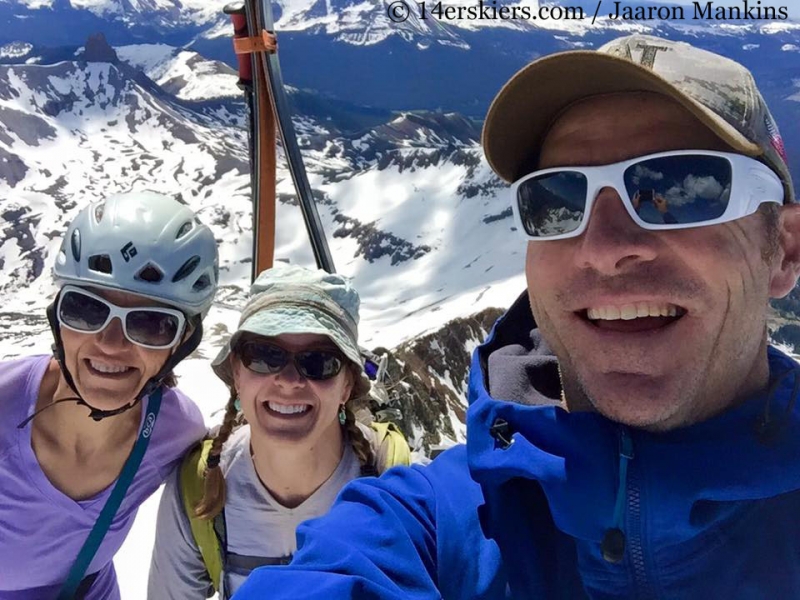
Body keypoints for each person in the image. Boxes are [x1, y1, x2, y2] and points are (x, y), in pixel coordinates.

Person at [232, 34, 800, 599]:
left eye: (679, 188)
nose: (603, 247)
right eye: (557, 200)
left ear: (785, 251)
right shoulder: (433, 523)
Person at [0, 191, 219, 599]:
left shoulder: (176, 430)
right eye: (86, 309)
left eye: (152, 324)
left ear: (182, 342)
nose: (110, 344)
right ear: (57, 319)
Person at [147, 263, 410, 599]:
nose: (288, 381)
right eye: (264, 355)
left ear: (346, 386)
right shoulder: (199, 484)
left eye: (319, 362)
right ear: (237, 375)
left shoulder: (390, 477)